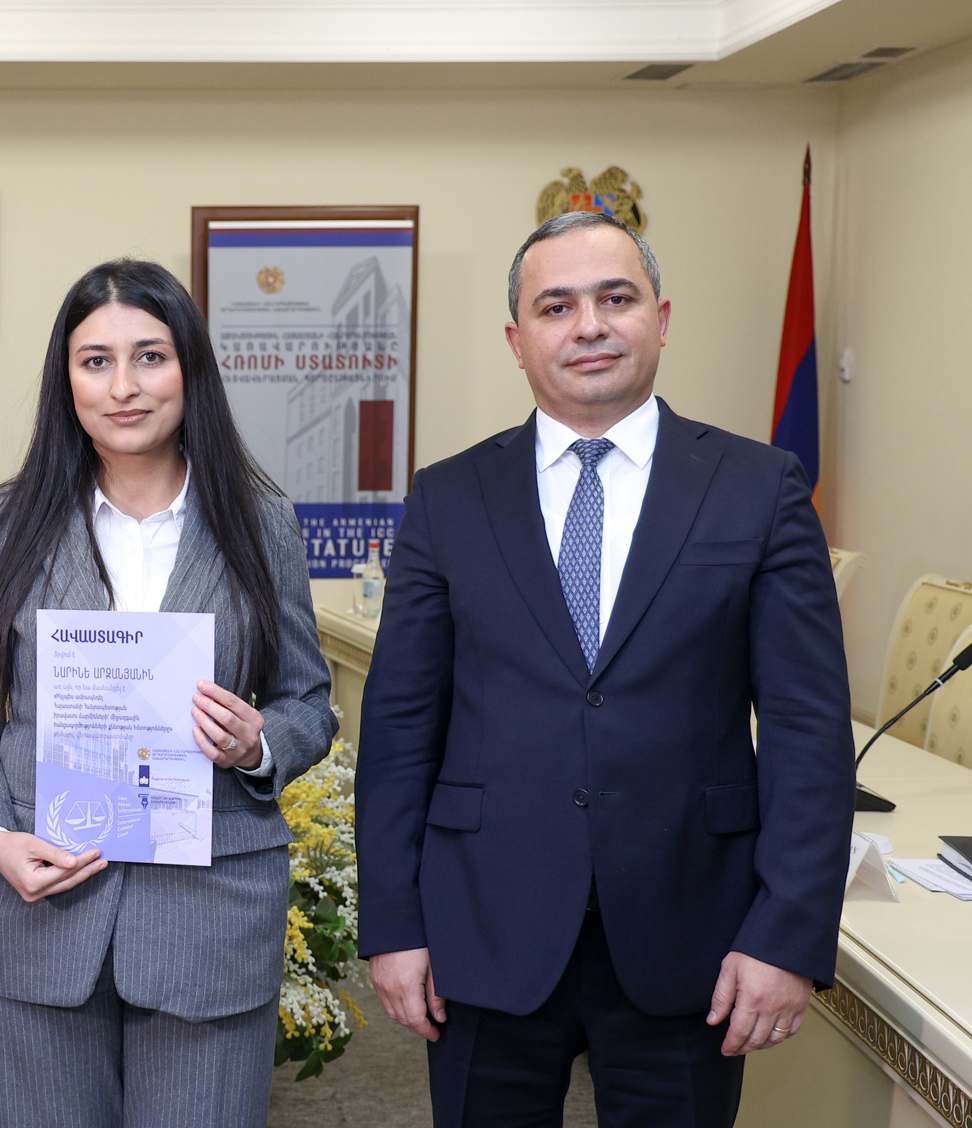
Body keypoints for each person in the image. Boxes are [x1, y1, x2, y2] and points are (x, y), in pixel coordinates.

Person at [356, 210, 855, 1127]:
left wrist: (787, 935)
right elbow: (399, 731)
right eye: (556, 306)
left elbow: (807, 732)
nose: (588, 325)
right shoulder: (448, 497)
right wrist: (392, 924)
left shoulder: (760, 487)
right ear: (518, 340)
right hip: (484, 928)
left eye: (615, 298)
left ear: (660, 319)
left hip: (693, 934)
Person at [0, 258, 338, 1127]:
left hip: (209, 920)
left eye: (150, 356)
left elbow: (309, 703)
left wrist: (258, 743)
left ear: (190, 369)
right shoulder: (7, 525)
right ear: (66, 379)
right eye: (96, 361)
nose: (124, 387)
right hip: (41, 913)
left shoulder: (261, 524)